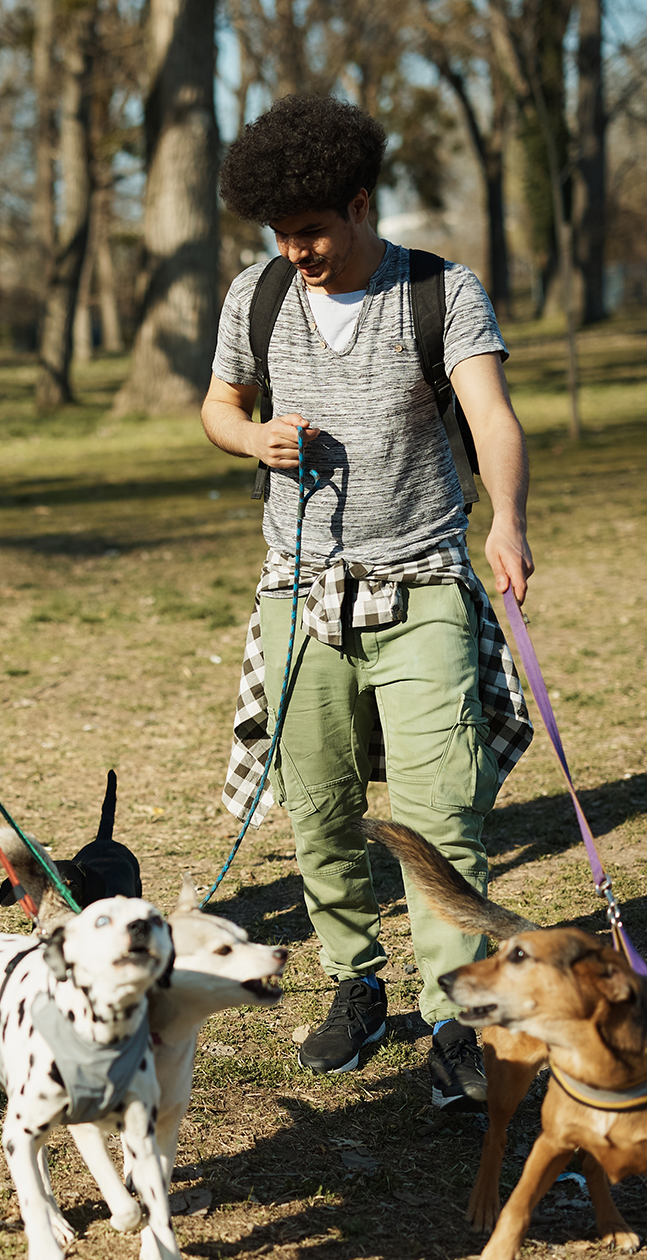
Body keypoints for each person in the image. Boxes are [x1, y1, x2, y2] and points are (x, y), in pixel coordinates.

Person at [199, 95, 535, 1111]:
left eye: (308, 230)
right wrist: (248, 438)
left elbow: (491, 415)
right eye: (277, 233)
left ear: (356, 206)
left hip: (423, 580)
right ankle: (353, 982)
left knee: (440, 813)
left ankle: (455, 1018)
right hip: (294, 596)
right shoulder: (255, 294)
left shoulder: (436, 290)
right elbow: (217, 406)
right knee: (320, 812)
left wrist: (507, 520)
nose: (294, 251)